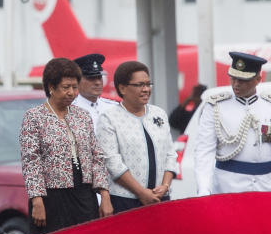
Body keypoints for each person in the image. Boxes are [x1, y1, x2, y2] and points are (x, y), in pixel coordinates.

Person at [20, 57, 112, 234]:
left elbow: (97, 156)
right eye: (66, 87)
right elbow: (31, 161)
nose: (71, 92)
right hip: (51, 197)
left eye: (74, 87)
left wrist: (105, 195)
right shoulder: (34, 117)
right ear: (51, 87)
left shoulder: (82, 116)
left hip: (84, 195)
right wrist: (37, 200)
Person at [96, 61, 178, 214]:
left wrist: (165, 186)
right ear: (122, 88)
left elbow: (170, 154)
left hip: (160, 197)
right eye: (140, 85)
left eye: (148, 84)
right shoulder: (109, 118)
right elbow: (112, 162)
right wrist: (141, 192)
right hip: (125, 200)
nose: (146, 89)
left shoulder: (158, 113)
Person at [194, 52, 271, 196]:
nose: (236, 84)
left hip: (265, 187)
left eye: (243, 80)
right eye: (233, 78)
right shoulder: (216, 106)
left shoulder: (268, 105)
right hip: (227, 188)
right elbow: (204, 151)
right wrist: (204, 189)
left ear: (258, 80)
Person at [71, 53, 118, 128]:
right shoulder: (69, 111)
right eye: (91, 78)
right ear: (77, 81)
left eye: (99, 77)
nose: (98, 82)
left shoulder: (114, 107)